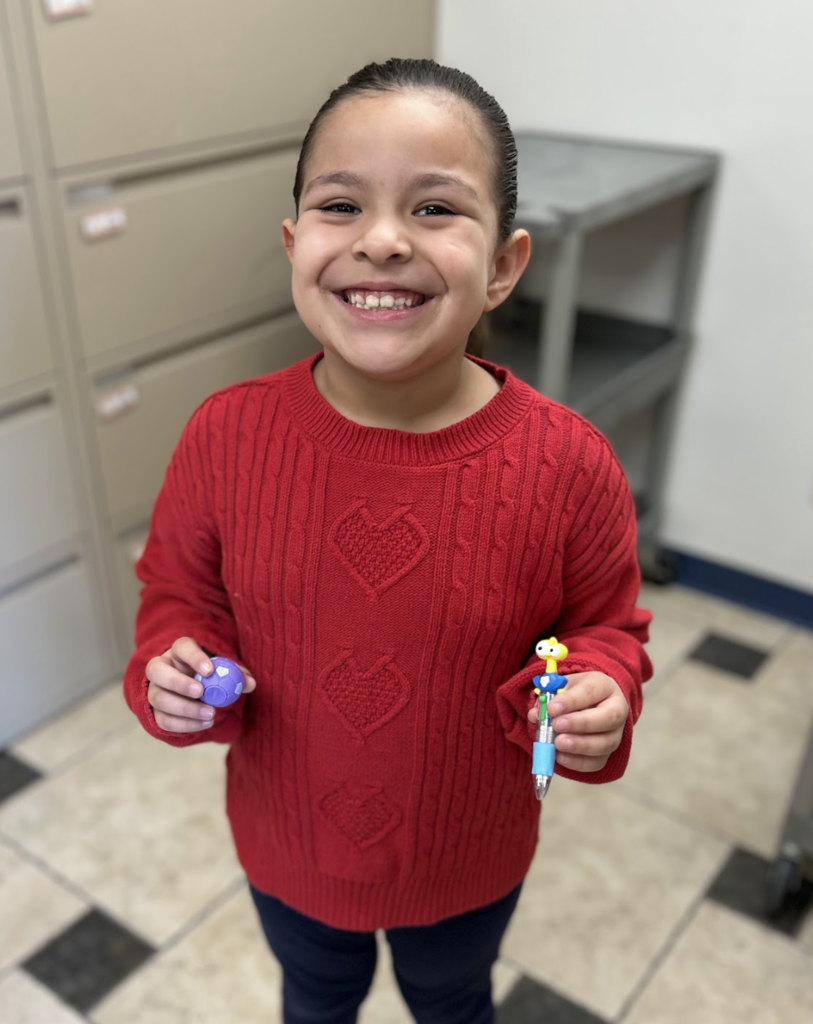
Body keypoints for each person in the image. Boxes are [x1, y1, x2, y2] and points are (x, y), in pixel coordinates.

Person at [124, 57, 653, 1024]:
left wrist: (599, 688)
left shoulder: (570, 465)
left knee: (453, 1000)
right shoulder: (224, 435)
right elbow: (177, 599)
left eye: (435, 210)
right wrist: (171, 665)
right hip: (287, 841)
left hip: (468, 851)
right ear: (293, 244)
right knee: (314, 997)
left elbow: (608, 629)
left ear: (503, 265)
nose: (380, 242)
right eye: (339, 205)